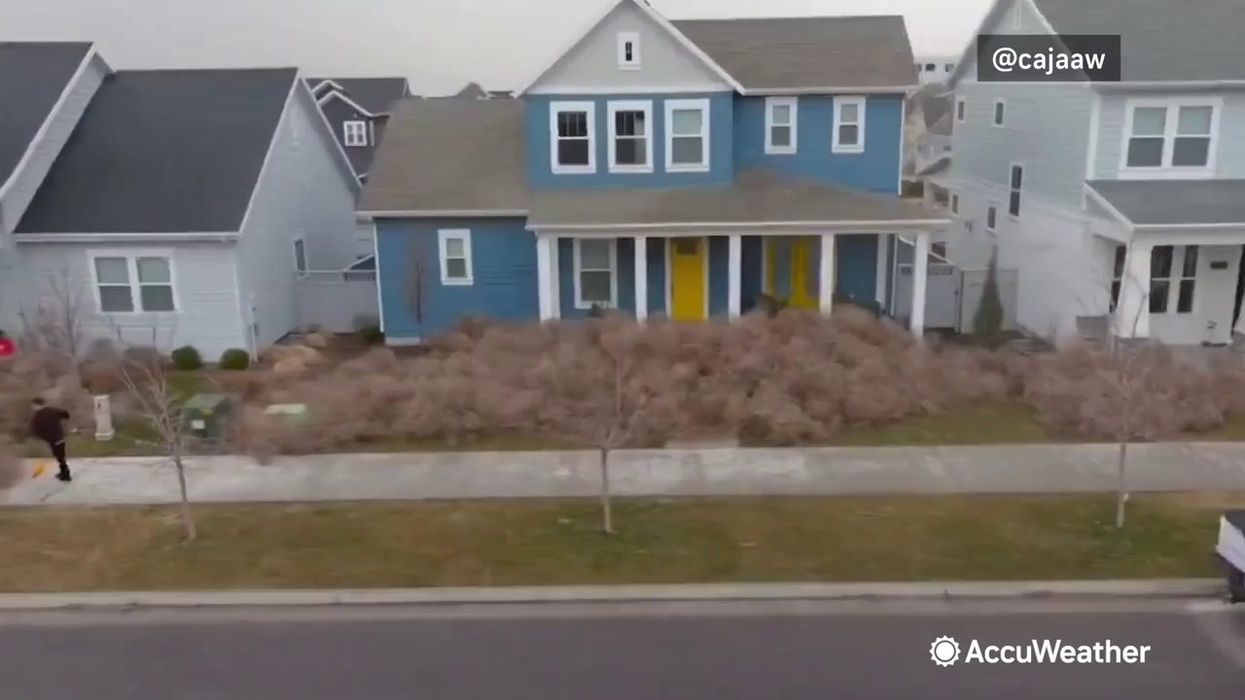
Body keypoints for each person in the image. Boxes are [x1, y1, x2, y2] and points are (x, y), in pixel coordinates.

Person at [29, 397, 71, 482]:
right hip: (60, 436)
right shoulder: (53, 410)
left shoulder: (37, 417)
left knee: (59, 457)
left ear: (35, 405)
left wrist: (42, 437)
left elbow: (35, 430)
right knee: (61, 456)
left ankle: (66, 475)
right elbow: (66, 414)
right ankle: (64, 473)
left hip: (52, 439)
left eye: (32, 406)